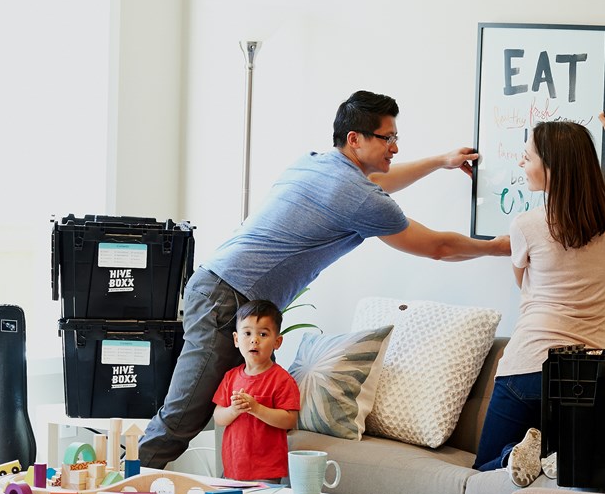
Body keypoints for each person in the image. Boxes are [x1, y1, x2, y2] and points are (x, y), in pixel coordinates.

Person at [139, 90, 511, 468]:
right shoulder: (360, 197)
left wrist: (439, 161)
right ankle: (121, 491)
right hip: (229, 298)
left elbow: (379, 182)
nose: (394, 148)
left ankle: (128, 484)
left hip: (217, 286)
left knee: (185, 411)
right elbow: (438, 247)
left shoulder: (315, 162)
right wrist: (499, 246)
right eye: (388, 138)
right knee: (184, 415)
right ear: (355, 139)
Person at [472, 90, 605, 487]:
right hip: (588, 371)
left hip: (527, 366)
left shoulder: (526, 224)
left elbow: (522, 283)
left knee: (486, 466)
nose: (522, 161)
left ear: (552, 166)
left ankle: (523, 455)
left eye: (529, 155)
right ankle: (552, 455)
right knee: (572, 469)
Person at [211, 300, 300, 482]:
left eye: (263, 334)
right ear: (237, 340)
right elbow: (219, 417)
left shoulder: (282, 380)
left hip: (267, 470)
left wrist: (256, 408)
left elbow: (289, 420)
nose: (254, 339)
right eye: (247, 333)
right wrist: (234, 410)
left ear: (277, 342)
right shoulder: (231, 377)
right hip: (234, 466)